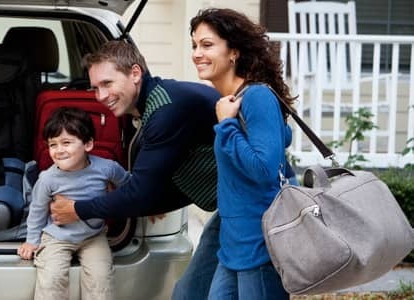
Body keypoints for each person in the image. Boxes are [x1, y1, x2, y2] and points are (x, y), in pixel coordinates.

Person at [48, 41, 222, 298]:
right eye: (95, 88)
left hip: (253, 209)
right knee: (190, 293)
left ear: (135, 74)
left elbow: (139, 194)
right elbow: (147, 190)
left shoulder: (165, 110)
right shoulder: (149, 106)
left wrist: (76, 209)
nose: (101, 96)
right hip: (230, 207)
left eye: (107, 84)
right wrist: (150, 201)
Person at [190, 8, 297, 299]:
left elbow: (264, 170)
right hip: (233, 248)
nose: (197, 53)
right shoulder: (231, 102)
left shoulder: (256, 98)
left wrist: (226, 125)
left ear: (234, 52)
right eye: (195, 45)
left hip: (259, 247)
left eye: (207, 45)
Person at [18, 106, 130, 300]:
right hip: (57, 237)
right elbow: (37, 210)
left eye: (66, 142)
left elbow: (130, 185)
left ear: (88, 144)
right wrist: (32, 240)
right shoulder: (47, 179)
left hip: (94, 236)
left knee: (101, 279)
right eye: (53, 145)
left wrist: (150, 204)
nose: (59, 150)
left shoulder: (107, 168)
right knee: (52, 278)